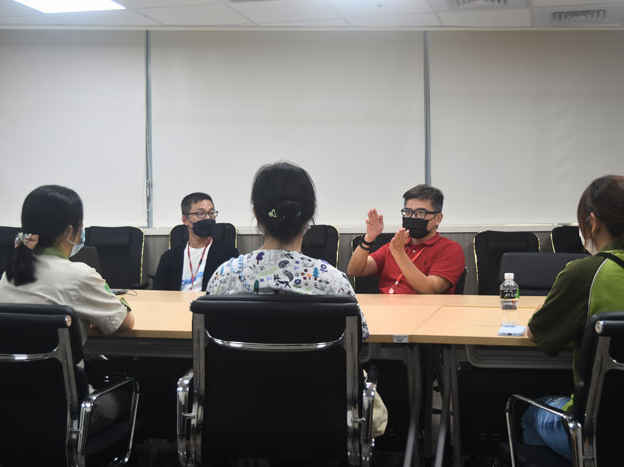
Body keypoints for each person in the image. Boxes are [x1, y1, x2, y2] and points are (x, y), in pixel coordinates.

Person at [206, 161, 387, 438]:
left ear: (256, 213)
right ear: (312, 212)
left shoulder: (224, 276)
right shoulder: (332, 281)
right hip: (320, 416)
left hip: (238, 414)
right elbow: (359, 339)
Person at [522, 175, 624, 460]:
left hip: (596, 429)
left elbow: (538, 333)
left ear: (592, 223)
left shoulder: (584, 272)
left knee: (530, 413)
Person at [0, 184, 135, 431]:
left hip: (11, 405)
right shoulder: (79, 275)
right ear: (70, 231)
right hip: (73, 411)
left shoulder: (9, 274)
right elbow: (124, 323)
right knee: (134, 395)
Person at [347, 184, 465, 294]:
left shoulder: (450, 249)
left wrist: (399, 254)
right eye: (408, 212)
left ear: (438, 218)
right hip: (383, 310)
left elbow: (430, 289)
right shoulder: (396, 245)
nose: (412, 217)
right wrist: (368, 239)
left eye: (420, 213)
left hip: (422, 313)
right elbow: (355, 270)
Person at [153, 192, 239, 291]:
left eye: (211, 213)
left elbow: (233, 291)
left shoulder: (228, 254)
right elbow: (159, 293)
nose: (208, 218)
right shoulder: (170, 257)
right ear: (185, 220)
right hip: (176, 305)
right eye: (201, 213)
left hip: (209, 306)